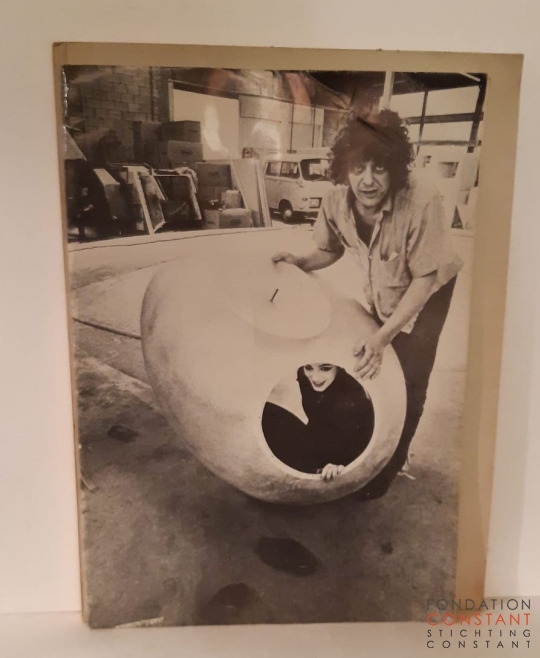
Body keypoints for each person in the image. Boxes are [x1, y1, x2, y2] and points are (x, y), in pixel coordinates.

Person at [272, 110, 463, 499]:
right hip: (387, 283)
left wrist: (382, 336)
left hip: (430, 287)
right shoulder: (334, 201)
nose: (368, 180)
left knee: (411, 378)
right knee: (379, 367)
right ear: (345, 168)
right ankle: (372, 443)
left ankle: (392, 465)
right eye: (358, 168)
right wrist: (300, 262)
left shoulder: (421, 201)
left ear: (395, 167)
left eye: (380, 167)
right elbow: (330, 249)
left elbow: (424, 279)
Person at [262, 363, 375, 481]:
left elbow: (363, 439)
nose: (315, 378)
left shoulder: (353, 391)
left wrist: (341, 465)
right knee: (268, 413)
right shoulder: (304, 375)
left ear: (338, 367)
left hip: (341, 457)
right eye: (308, 367)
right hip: (315, 444)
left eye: (325, 368)